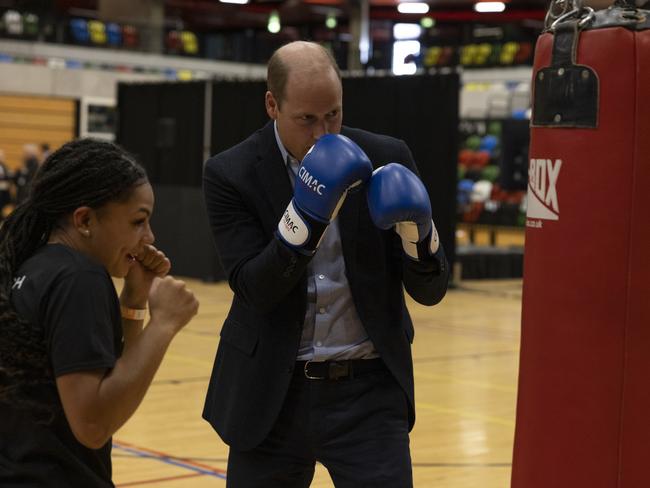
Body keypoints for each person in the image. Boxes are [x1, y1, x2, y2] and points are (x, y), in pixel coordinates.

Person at [202, 41, 449, 487]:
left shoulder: (385, 157)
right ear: (272, 105)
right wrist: (305, 220)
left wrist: (420, 234)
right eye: (307, 119)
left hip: (368, 393)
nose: (323, 133)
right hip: (272, 395)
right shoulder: (230, 173)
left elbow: (429, 291)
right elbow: (254, 288)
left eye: (332, 114)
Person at [0, 138, 199, 487]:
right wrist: (163, 325)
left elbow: (112, 378)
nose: (149, 235)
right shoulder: (80, 278)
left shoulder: (33, 267)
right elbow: (92, 425)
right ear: (85, 219)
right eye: (138, 221)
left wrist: (135, 301)